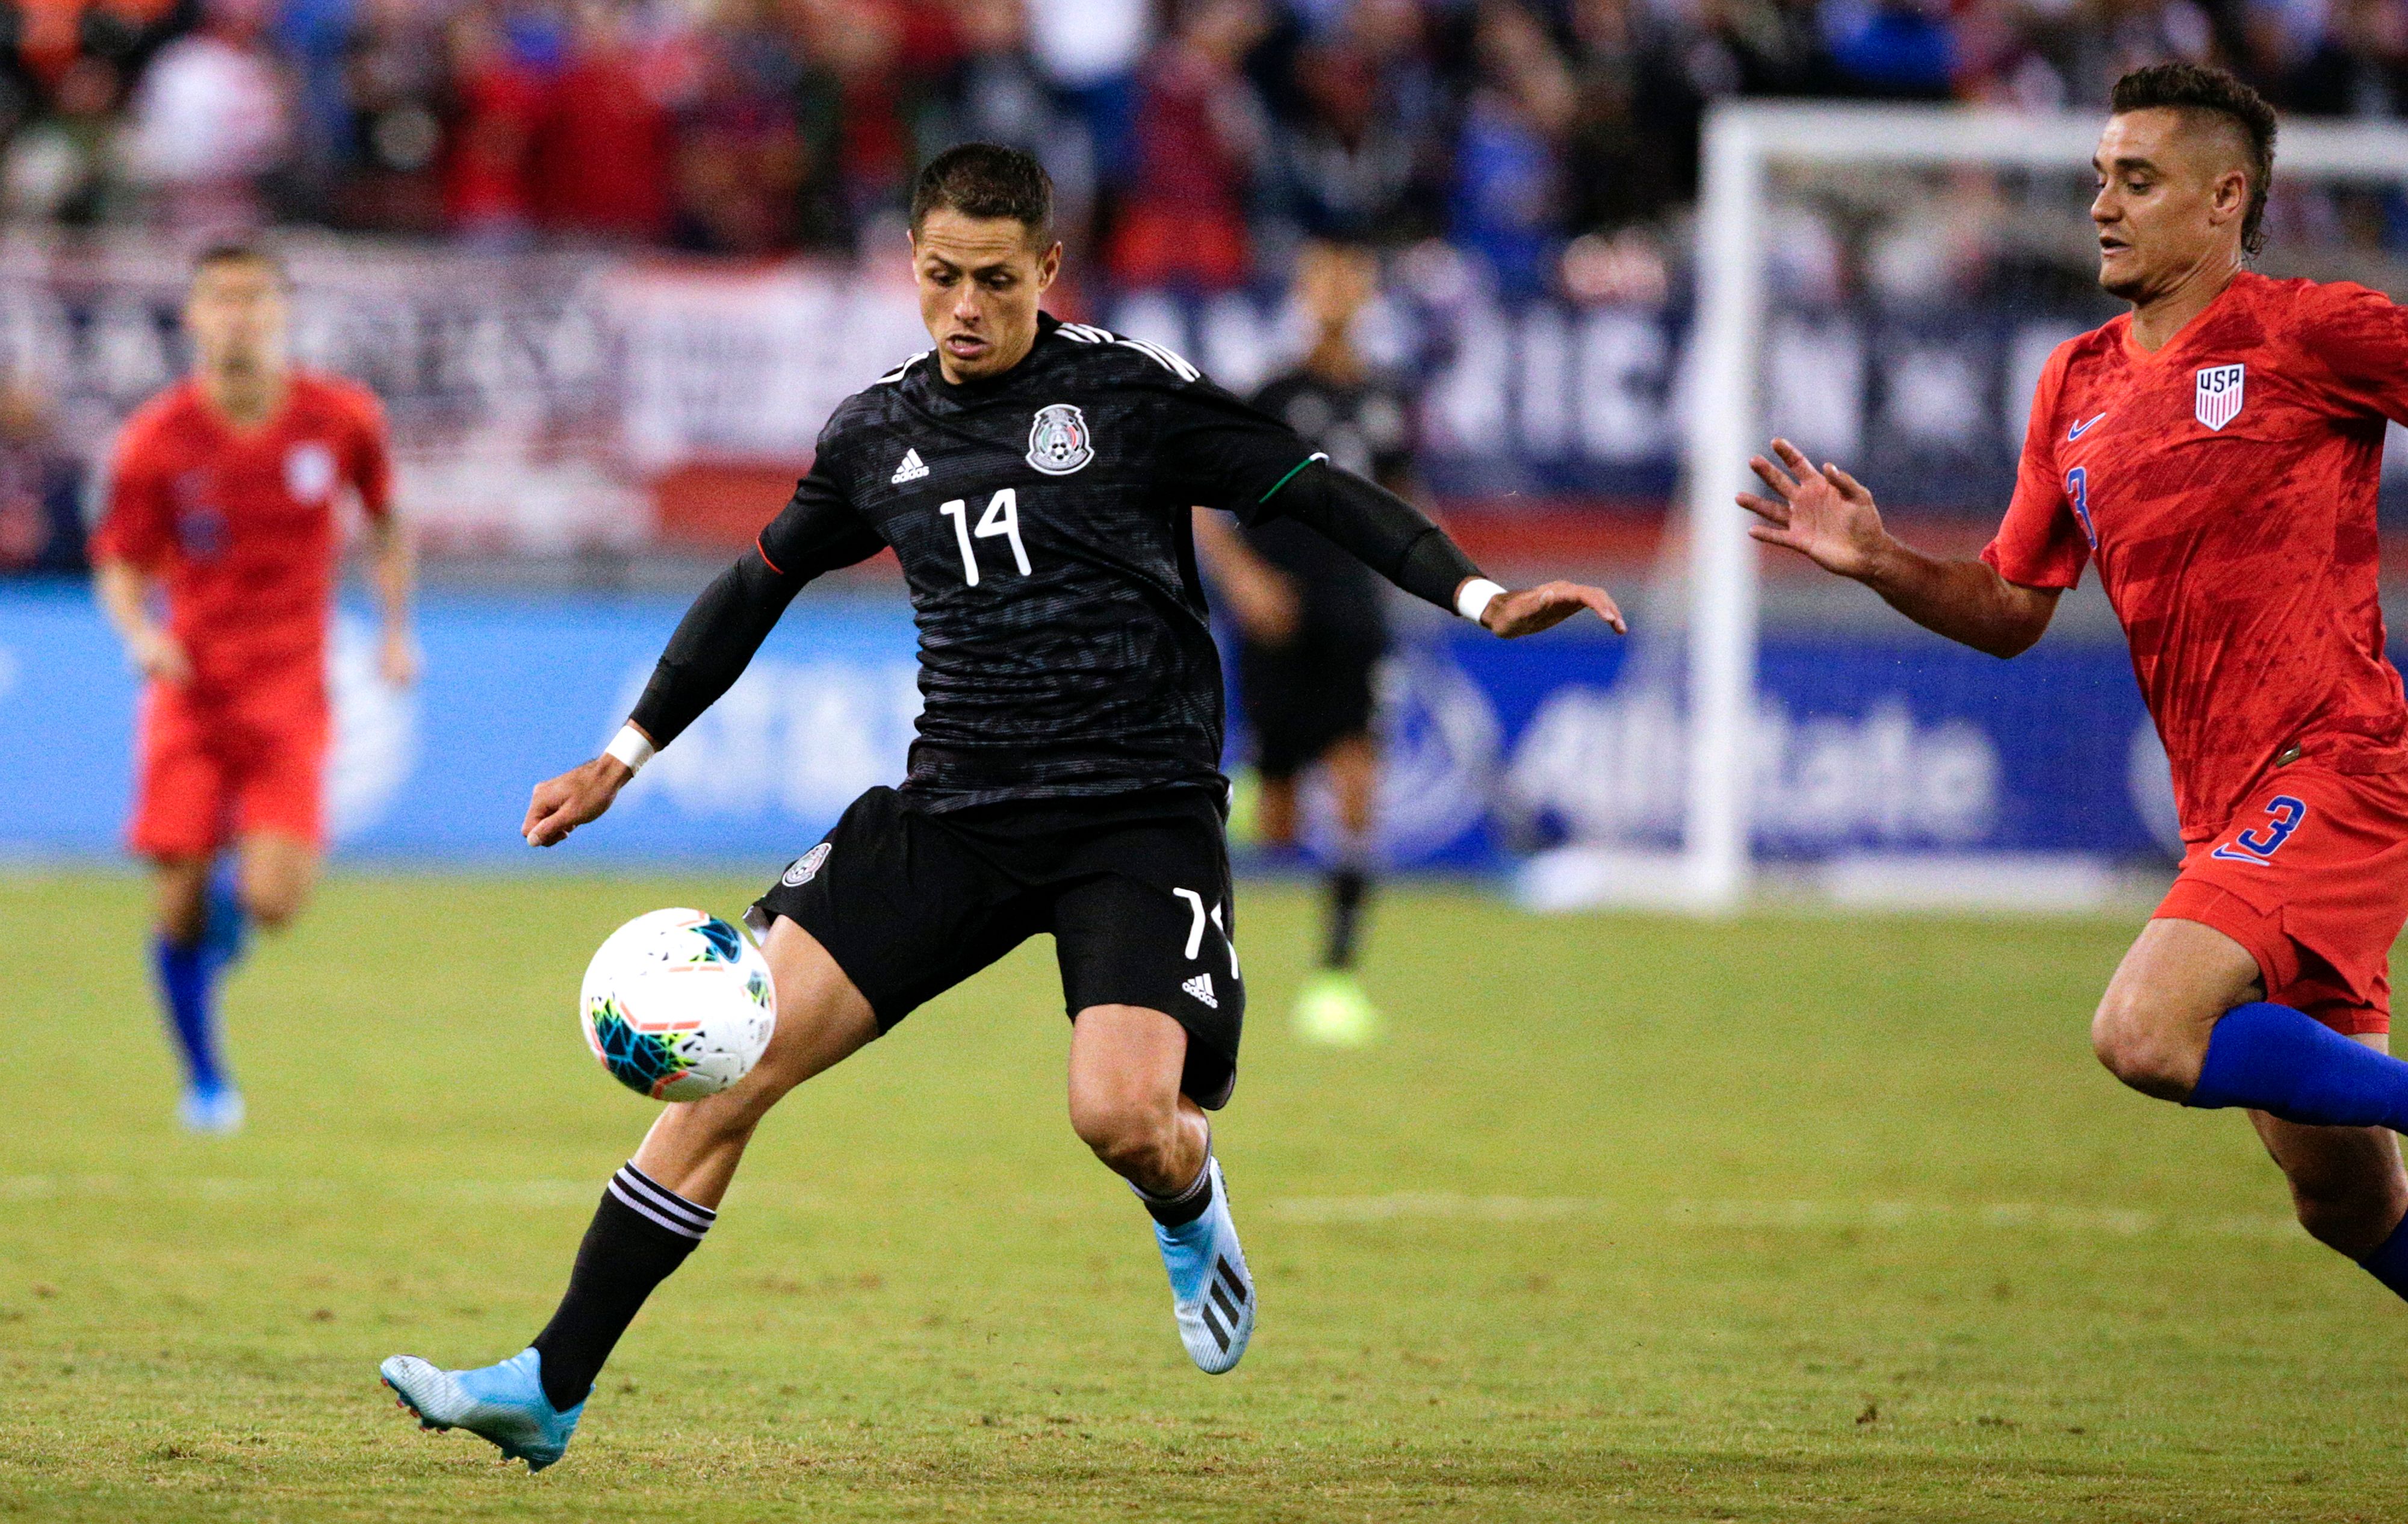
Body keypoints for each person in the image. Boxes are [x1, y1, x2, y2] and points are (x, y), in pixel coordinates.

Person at [378, 142, 1622, 1472]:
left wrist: (1481, 596)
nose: (963, 308)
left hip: (1135, 812)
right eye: (939, 277)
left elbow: (1314, 490)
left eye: (993, 281)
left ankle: (1187, 1194)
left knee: (1120, 1119)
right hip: (955, 808)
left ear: (1047, 269)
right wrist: (622, 755)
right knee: (733, 1063)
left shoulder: (1129, 396)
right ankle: (548, 1383)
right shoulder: (875, 433)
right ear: (910, 267)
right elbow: (754, 587)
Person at [1738, 64, 2408, 1314]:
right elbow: (2011, 608)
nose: (2101, 204)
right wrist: (1879, 561)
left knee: (2144, 1031)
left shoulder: (2310, 331)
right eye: (2099, 176)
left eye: (2136, 180)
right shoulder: (2075, 384)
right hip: (2223, 808)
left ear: (2225, 199)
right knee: (2344, 1200)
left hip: (2337, 767)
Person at [92, 244, 414, 1133]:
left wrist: (395, 631)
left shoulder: (340, 417)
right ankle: (206, 1082)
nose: (238, 314)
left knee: (273, 901)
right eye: (220, 298)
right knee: (178, 898)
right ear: (193, 316)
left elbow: (386, 522)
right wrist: (142, 634)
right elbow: (119, 561)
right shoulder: (157, 438)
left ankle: (214, 949)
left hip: (289, 693)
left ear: (281, 311)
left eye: (254, 297)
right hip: (190, 692)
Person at [1191, 238, 1410, 1047]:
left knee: (1357, 785)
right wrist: (1245, 583)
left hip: (1355, 620)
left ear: (1369, 289)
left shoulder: (1388, 399)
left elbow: (1405, 510)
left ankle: (1337, 979)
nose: (1338, 290)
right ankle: (1205, 949)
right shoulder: (1271, 394)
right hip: (1275, 618)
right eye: (1324, 276)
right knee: (1278, 820)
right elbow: (1196, 497)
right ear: (1304, 290)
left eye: (1352, 275)